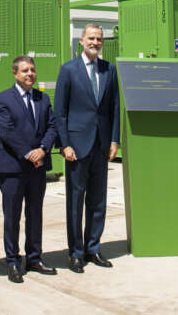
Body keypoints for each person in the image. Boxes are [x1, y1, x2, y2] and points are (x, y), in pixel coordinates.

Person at [54, 23, 120, 273]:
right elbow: (60, 112)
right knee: (75, 201)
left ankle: (93, 248)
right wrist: (64, 144)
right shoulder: (68, 70)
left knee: (98, 200)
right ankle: (75, 252)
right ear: (81, 41)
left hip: (101, 146)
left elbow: (114, 107)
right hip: (77, 146)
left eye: (99, 38)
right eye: (91, 38)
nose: (95, 42)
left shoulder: (109, 70)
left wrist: (114, 140)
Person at [0, 55, 59, 283]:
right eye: (24, 71)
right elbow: (7, 131)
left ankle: (34, 258)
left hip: (38, 167)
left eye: (32, 70)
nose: (29, 74)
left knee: (35, 214)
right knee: (12, 216)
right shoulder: (2, 99)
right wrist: (28, 152)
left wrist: (42, 149)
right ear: (15, 74)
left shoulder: (43, 99)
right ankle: (12, 261)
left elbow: (52, 126)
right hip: (13, 167)